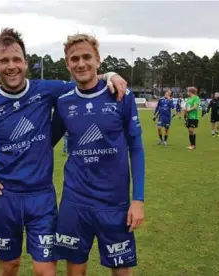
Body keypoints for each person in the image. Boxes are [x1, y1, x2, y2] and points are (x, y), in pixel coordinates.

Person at [0, 28, 127, 276]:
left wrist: (110, 73)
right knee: (10, 266)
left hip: (42, 198)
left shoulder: (47, 89)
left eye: (17, 59)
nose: (12, 66)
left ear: (26, 62)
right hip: (4, 198)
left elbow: (84, 78)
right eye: (4, 61)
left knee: (46, 271)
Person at [50, 34, 145, 276]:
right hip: (75, 201)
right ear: (67, 64)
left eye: (86, 57)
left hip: (115, 203)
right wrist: (3, 156)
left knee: (121, 271)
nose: (81, 63)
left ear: (98, 60)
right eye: (74, 59)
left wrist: (138, 200)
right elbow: (46, 142)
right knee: (75, 271)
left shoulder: (122, 95)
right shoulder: (63, 101)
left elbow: (136, 147)